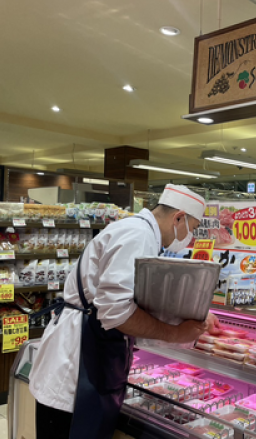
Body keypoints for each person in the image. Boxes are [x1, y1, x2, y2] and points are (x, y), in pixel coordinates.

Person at [29, 184, 219, 439]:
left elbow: (134, 298)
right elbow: (116, 311)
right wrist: (175, 334)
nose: (191, 237)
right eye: (193, 228)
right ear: (178, 218)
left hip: (89, 354)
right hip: (76, 368)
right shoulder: (138, 235)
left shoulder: (142, 233)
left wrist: (193, 311)